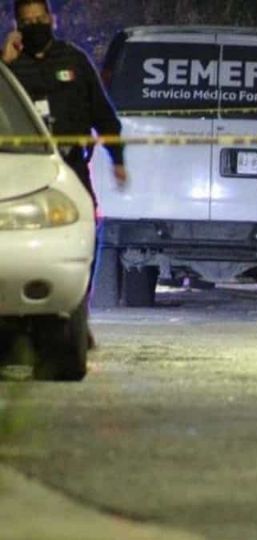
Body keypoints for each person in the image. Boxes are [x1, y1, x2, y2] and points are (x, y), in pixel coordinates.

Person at [3, 0, 128, 348]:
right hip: (20, 169)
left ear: (52, 20)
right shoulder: (10, 65)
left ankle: (76, 313)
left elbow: (103, 113)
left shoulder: (73, 60)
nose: (35, 26)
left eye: (40, 19)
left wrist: (117, 157)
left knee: (84, 232)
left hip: (70, 167)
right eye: (27, 22)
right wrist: (5, 63)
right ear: (17, 25)